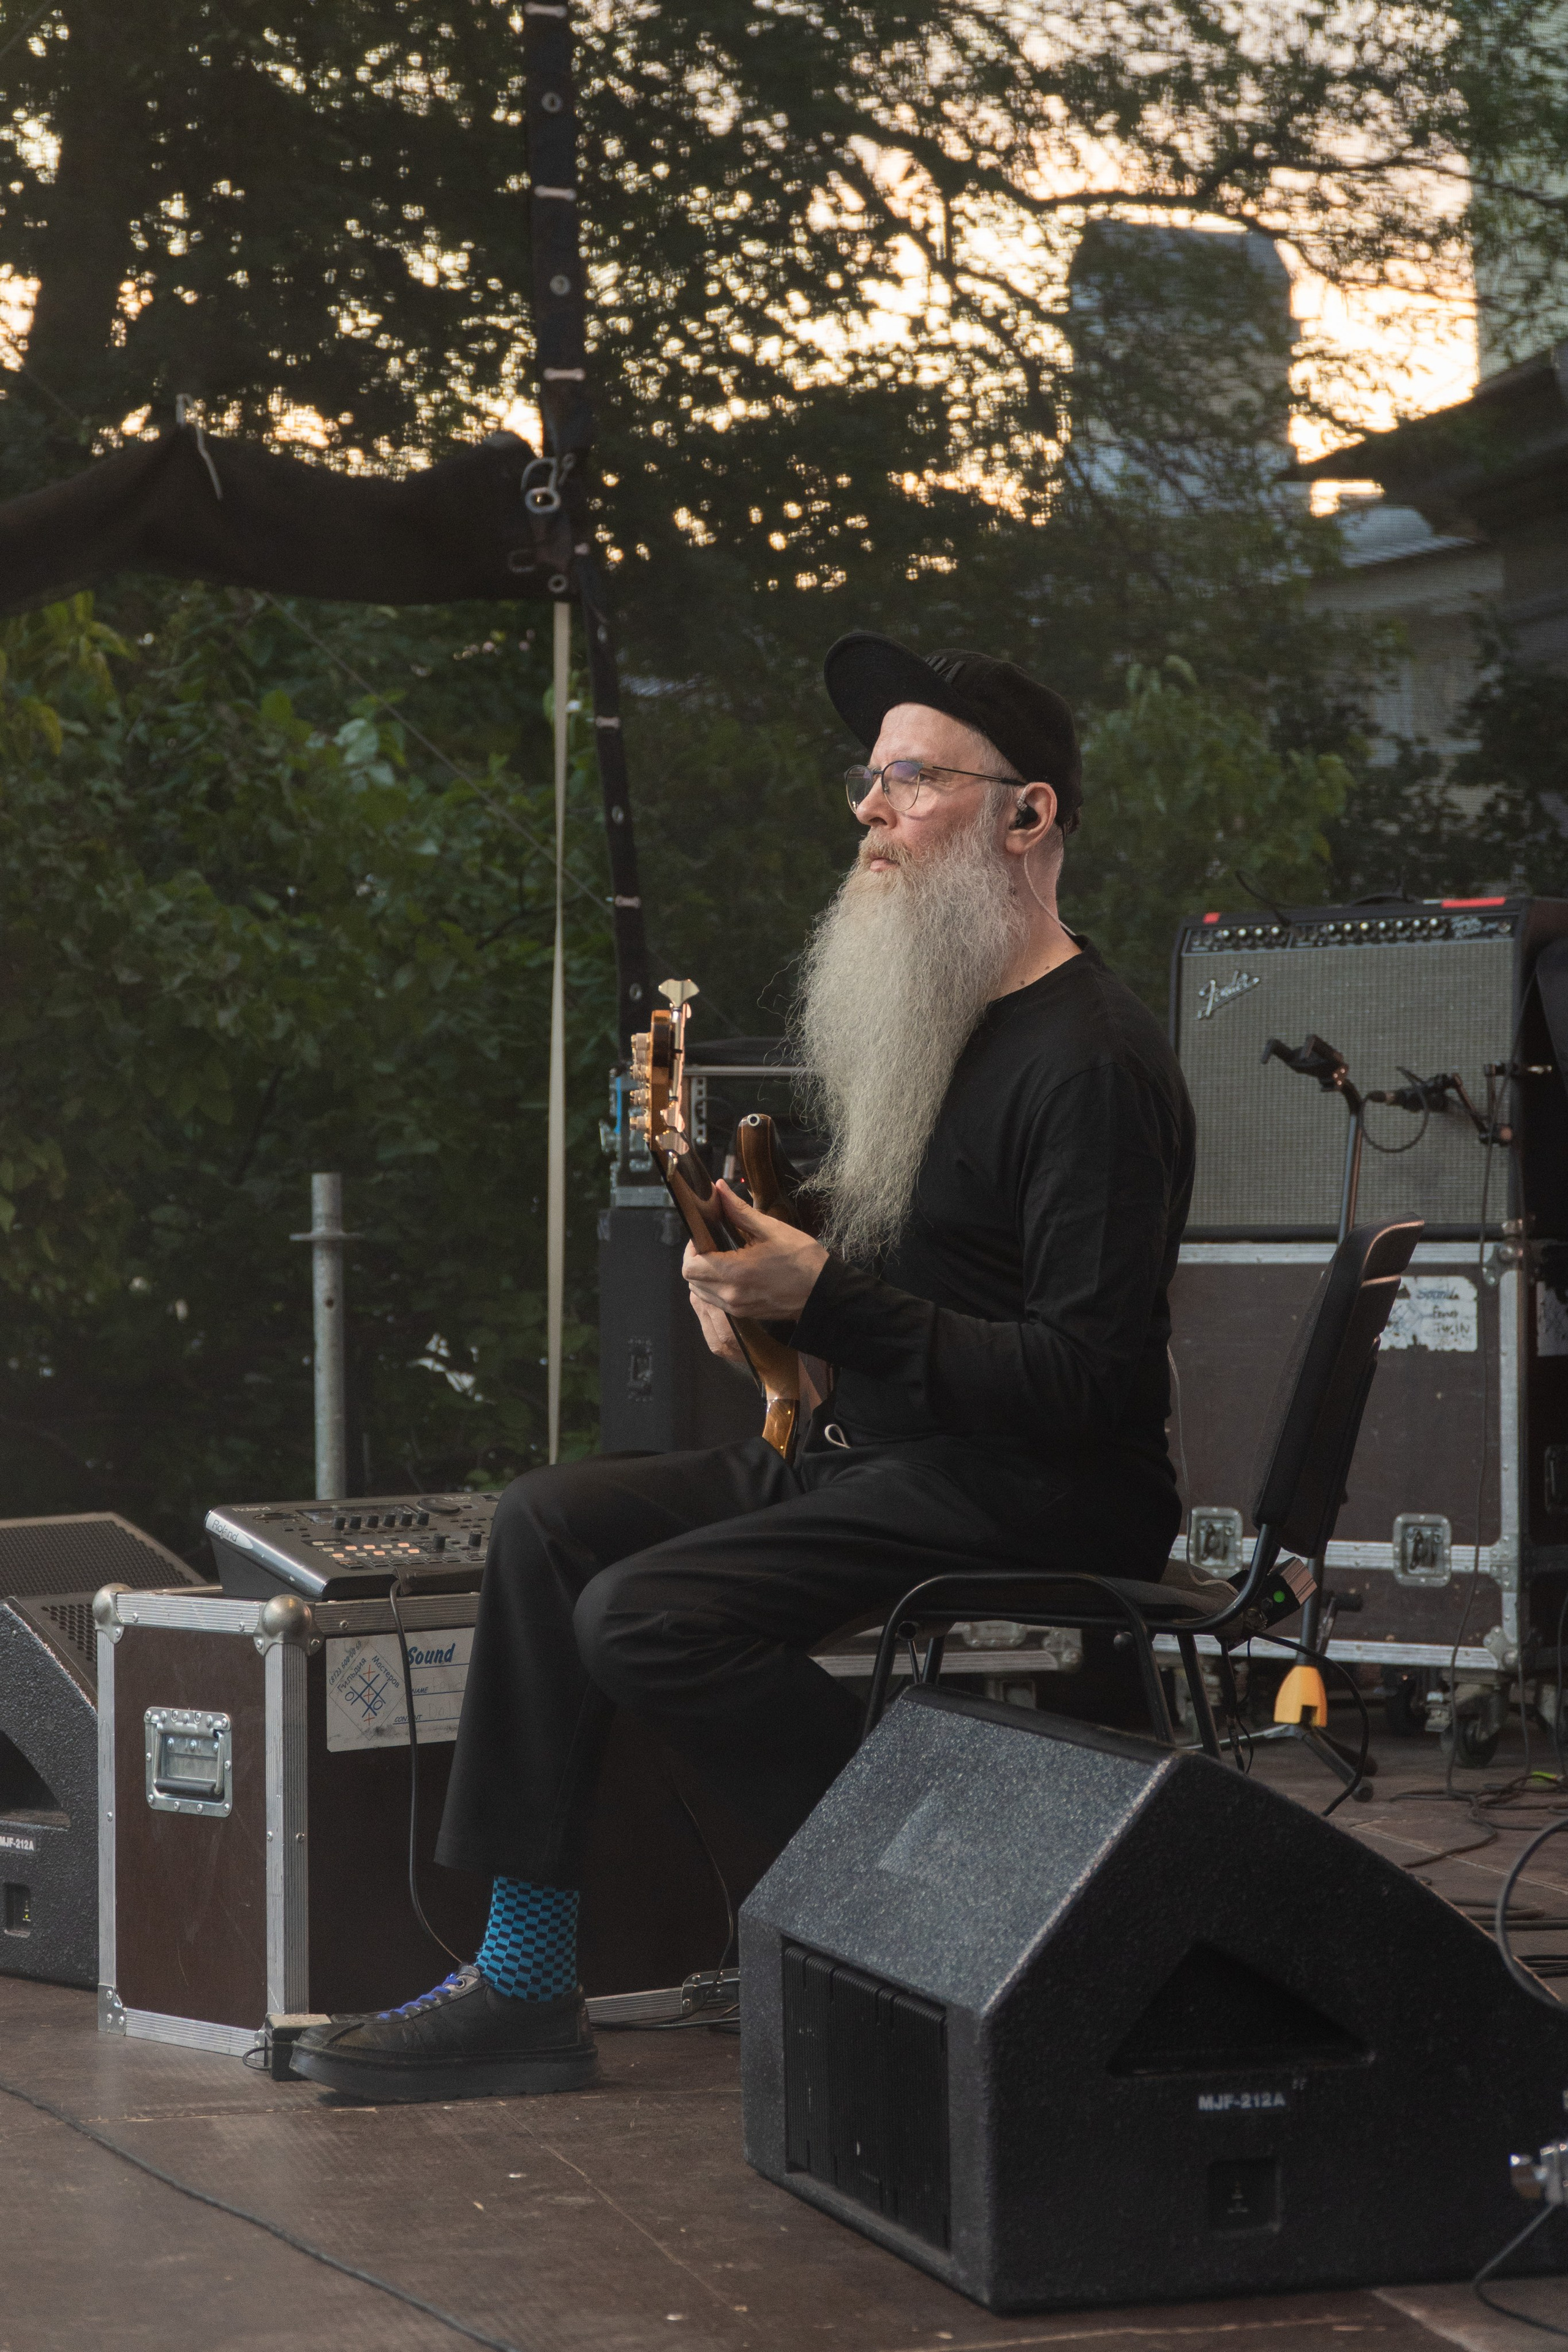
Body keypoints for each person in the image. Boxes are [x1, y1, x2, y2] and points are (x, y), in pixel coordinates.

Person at [292, 629, 1196, 2103]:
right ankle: (523, 1986)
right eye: (869, 779)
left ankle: (924, 1928)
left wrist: (826, 1298)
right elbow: (927, 1283)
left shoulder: (1087, 1059)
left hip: (1037, 1487)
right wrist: (768, 1309)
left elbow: (1089, 1379)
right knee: (545, 1524)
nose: (869, 808)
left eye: (911, 779)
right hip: (892, 1454)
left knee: (643, 1618)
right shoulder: (948, 1027)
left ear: (1026, 818)